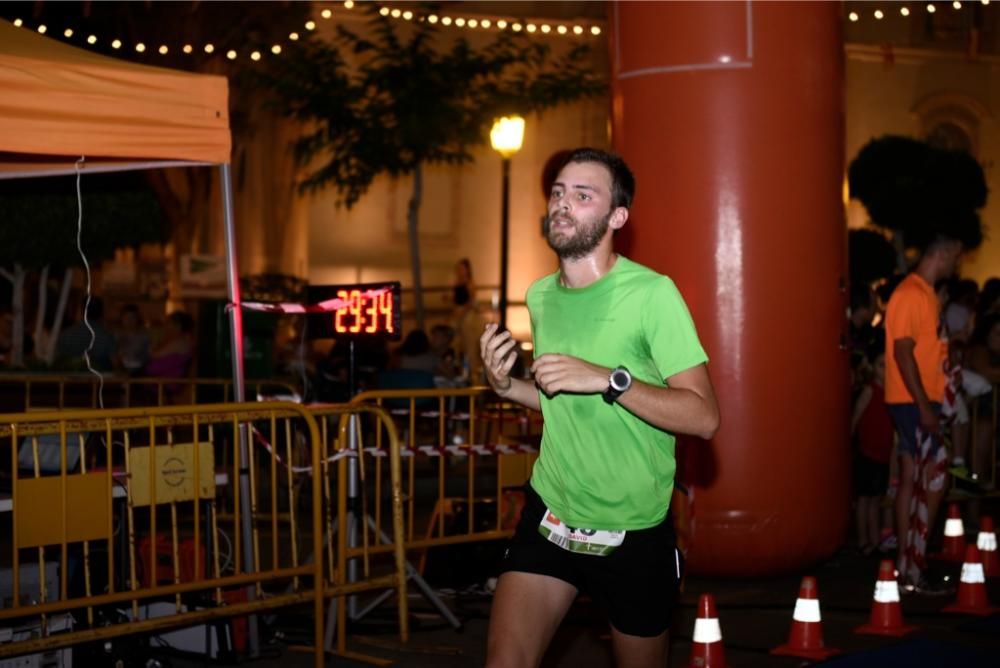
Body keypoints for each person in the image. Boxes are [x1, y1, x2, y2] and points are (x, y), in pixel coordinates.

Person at [479, 148, 720, 668]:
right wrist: (505, 385)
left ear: (617, 217)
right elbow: (560, 399)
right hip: (552, 511)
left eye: (583, 196)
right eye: (559, 193)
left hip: (631, 530)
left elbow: (704, 417)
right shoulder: (541, 296)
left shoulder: (653, 295)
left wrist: (607, 379)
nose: (563, 205)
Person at [883, 234, 963, 591]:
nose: (957, 265)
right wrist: (923, 406)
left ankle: (909, 563)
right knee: (930, 479)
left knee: (914, 475)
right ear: (941, 255)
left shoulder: (924, 293)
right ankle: (912, 562)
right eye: (955, 257)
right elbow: (903, 353)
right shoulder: (911, 294)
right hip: (914, 402)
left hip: (916, 401)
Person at [851, 343, 895, 556]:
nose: (885, 370)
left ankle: (875, 540)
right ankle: (863, 540)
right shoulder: (870, 390)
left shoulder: (893, 393)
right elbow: (857, 416)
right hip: (866, 452)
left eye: (889, 366)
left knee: (876, 499)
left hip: (882, 454)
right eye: (880, 365)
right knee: (864, 500)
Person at [55, 297, 115, 372]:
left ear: (81, 312)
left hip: (69, 380)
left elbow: (57, 360)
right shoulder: (107, 336)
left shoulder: (66, 334)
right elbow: (115, 362)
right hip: (99, 380)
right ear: (102, 314)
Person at [114, 303, 151, 375]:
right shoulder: (115, 335)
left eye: (133, 317)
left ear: (137, 319)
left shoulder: (144, 337)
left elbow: (148, 356)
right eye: (126, 317)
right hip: (119, 371)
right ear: (121, 318)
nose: (129, 320)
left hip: (139, 372)